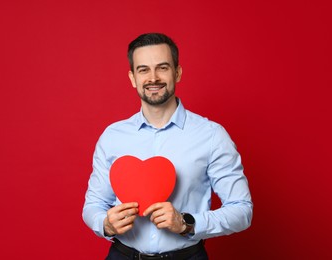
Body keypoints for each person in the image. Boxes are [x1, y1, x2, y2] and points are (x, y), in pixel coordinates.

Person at [82, 32, 253, 259]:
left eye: (162, 67)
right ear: (133, 78)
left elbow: (242, 209)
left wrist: (186, 223)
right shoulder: (112, 136)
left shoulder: (212, 136)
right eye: (143, 70)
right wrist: (106, 224)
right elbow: (93, 204)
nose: (153, 78)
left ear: (177, 72)